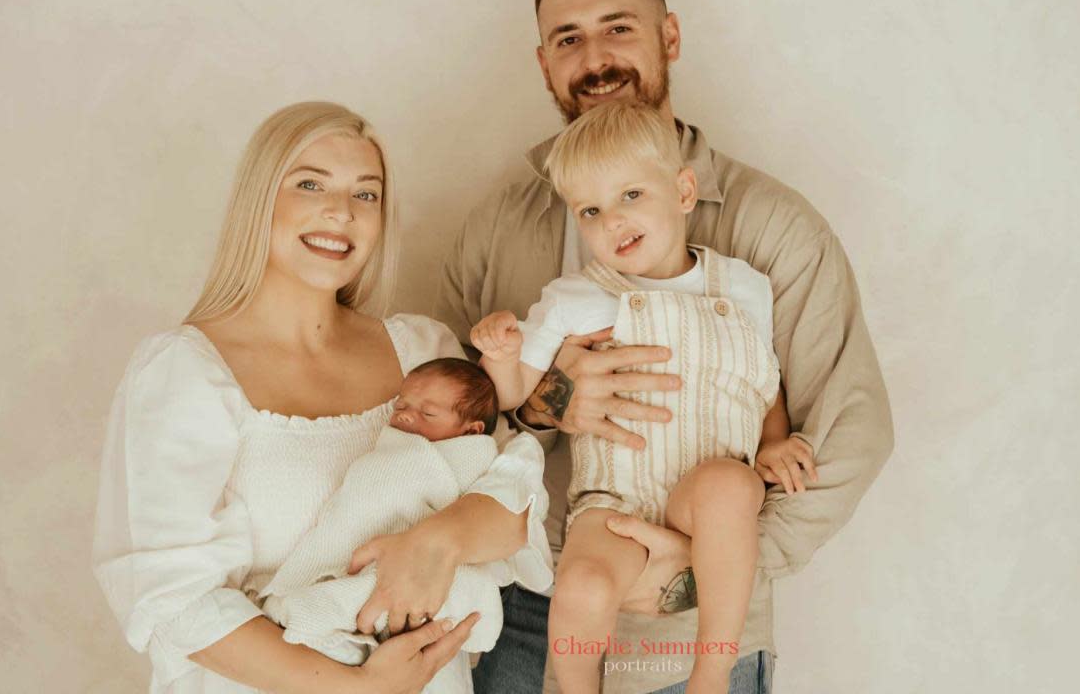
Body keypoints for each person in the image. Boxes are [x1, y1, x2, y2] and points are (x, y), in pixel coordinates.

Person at [435, 0, 894, 694]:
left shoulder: (772, 229)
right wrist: (552, 400)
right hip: (524, 607)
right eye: (569, 39)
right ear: (545, 63)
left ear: (669, 38)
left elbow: (853, 429)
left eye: (620, 28)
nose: (597, 59)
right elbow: (444, 419)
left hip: (698, 623)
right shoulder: (496, 227)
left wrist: (699, 565)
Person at [93, 102, 554, 693]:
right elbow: (169, 595)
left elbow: (517, 501)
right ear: (260, 201)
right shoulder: (182, 372)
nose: (341, 212)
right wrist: (360, 689)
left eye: (366, 194)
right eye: (310, 184)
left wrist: (437, 541)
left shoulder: (421, 351)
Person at [471, 102, 817, 694]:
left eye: (631, 194)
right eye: (591, 209)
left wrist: (777, 439)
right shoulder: (574, 297)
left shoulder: (743, 286)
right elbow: (514, 396)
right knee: (581, 586)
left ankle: (710, 675)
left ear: (684, 190)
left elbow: (763, 377)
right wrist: (500, 355)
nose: (613, 220)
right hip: (614, 496)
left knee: (731, 487)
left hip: (704, 493)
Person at [259, 358, 514, 694]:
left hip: (425, 566)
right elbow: (364, 497)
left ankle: (322, 615)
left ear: (472, 431)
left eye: (428, 413)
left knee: (436, 586)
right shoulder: (390, 447)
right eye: (403, 404)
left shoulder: (475, 458)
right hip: (377, 552)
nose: (407, 415)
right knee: (374, 581)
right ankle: (330, 616)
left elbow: (501, 508)